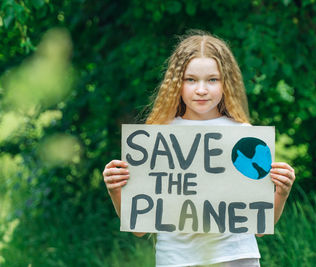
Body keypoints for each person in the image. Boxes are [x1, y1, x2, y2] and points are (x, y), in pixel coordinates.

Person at [103, 31, 296, 267]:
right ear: (177, 83)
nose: (201, 89)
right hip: (176, 260)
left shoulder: (244, 135)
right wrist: (115, 190)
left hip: (236, 258)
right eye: (190, 79)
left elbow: (260, 228)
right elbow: (140, 230)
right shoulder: (157, 138)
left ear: (226, 82)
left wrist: (281, 192)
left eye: (212, 80)